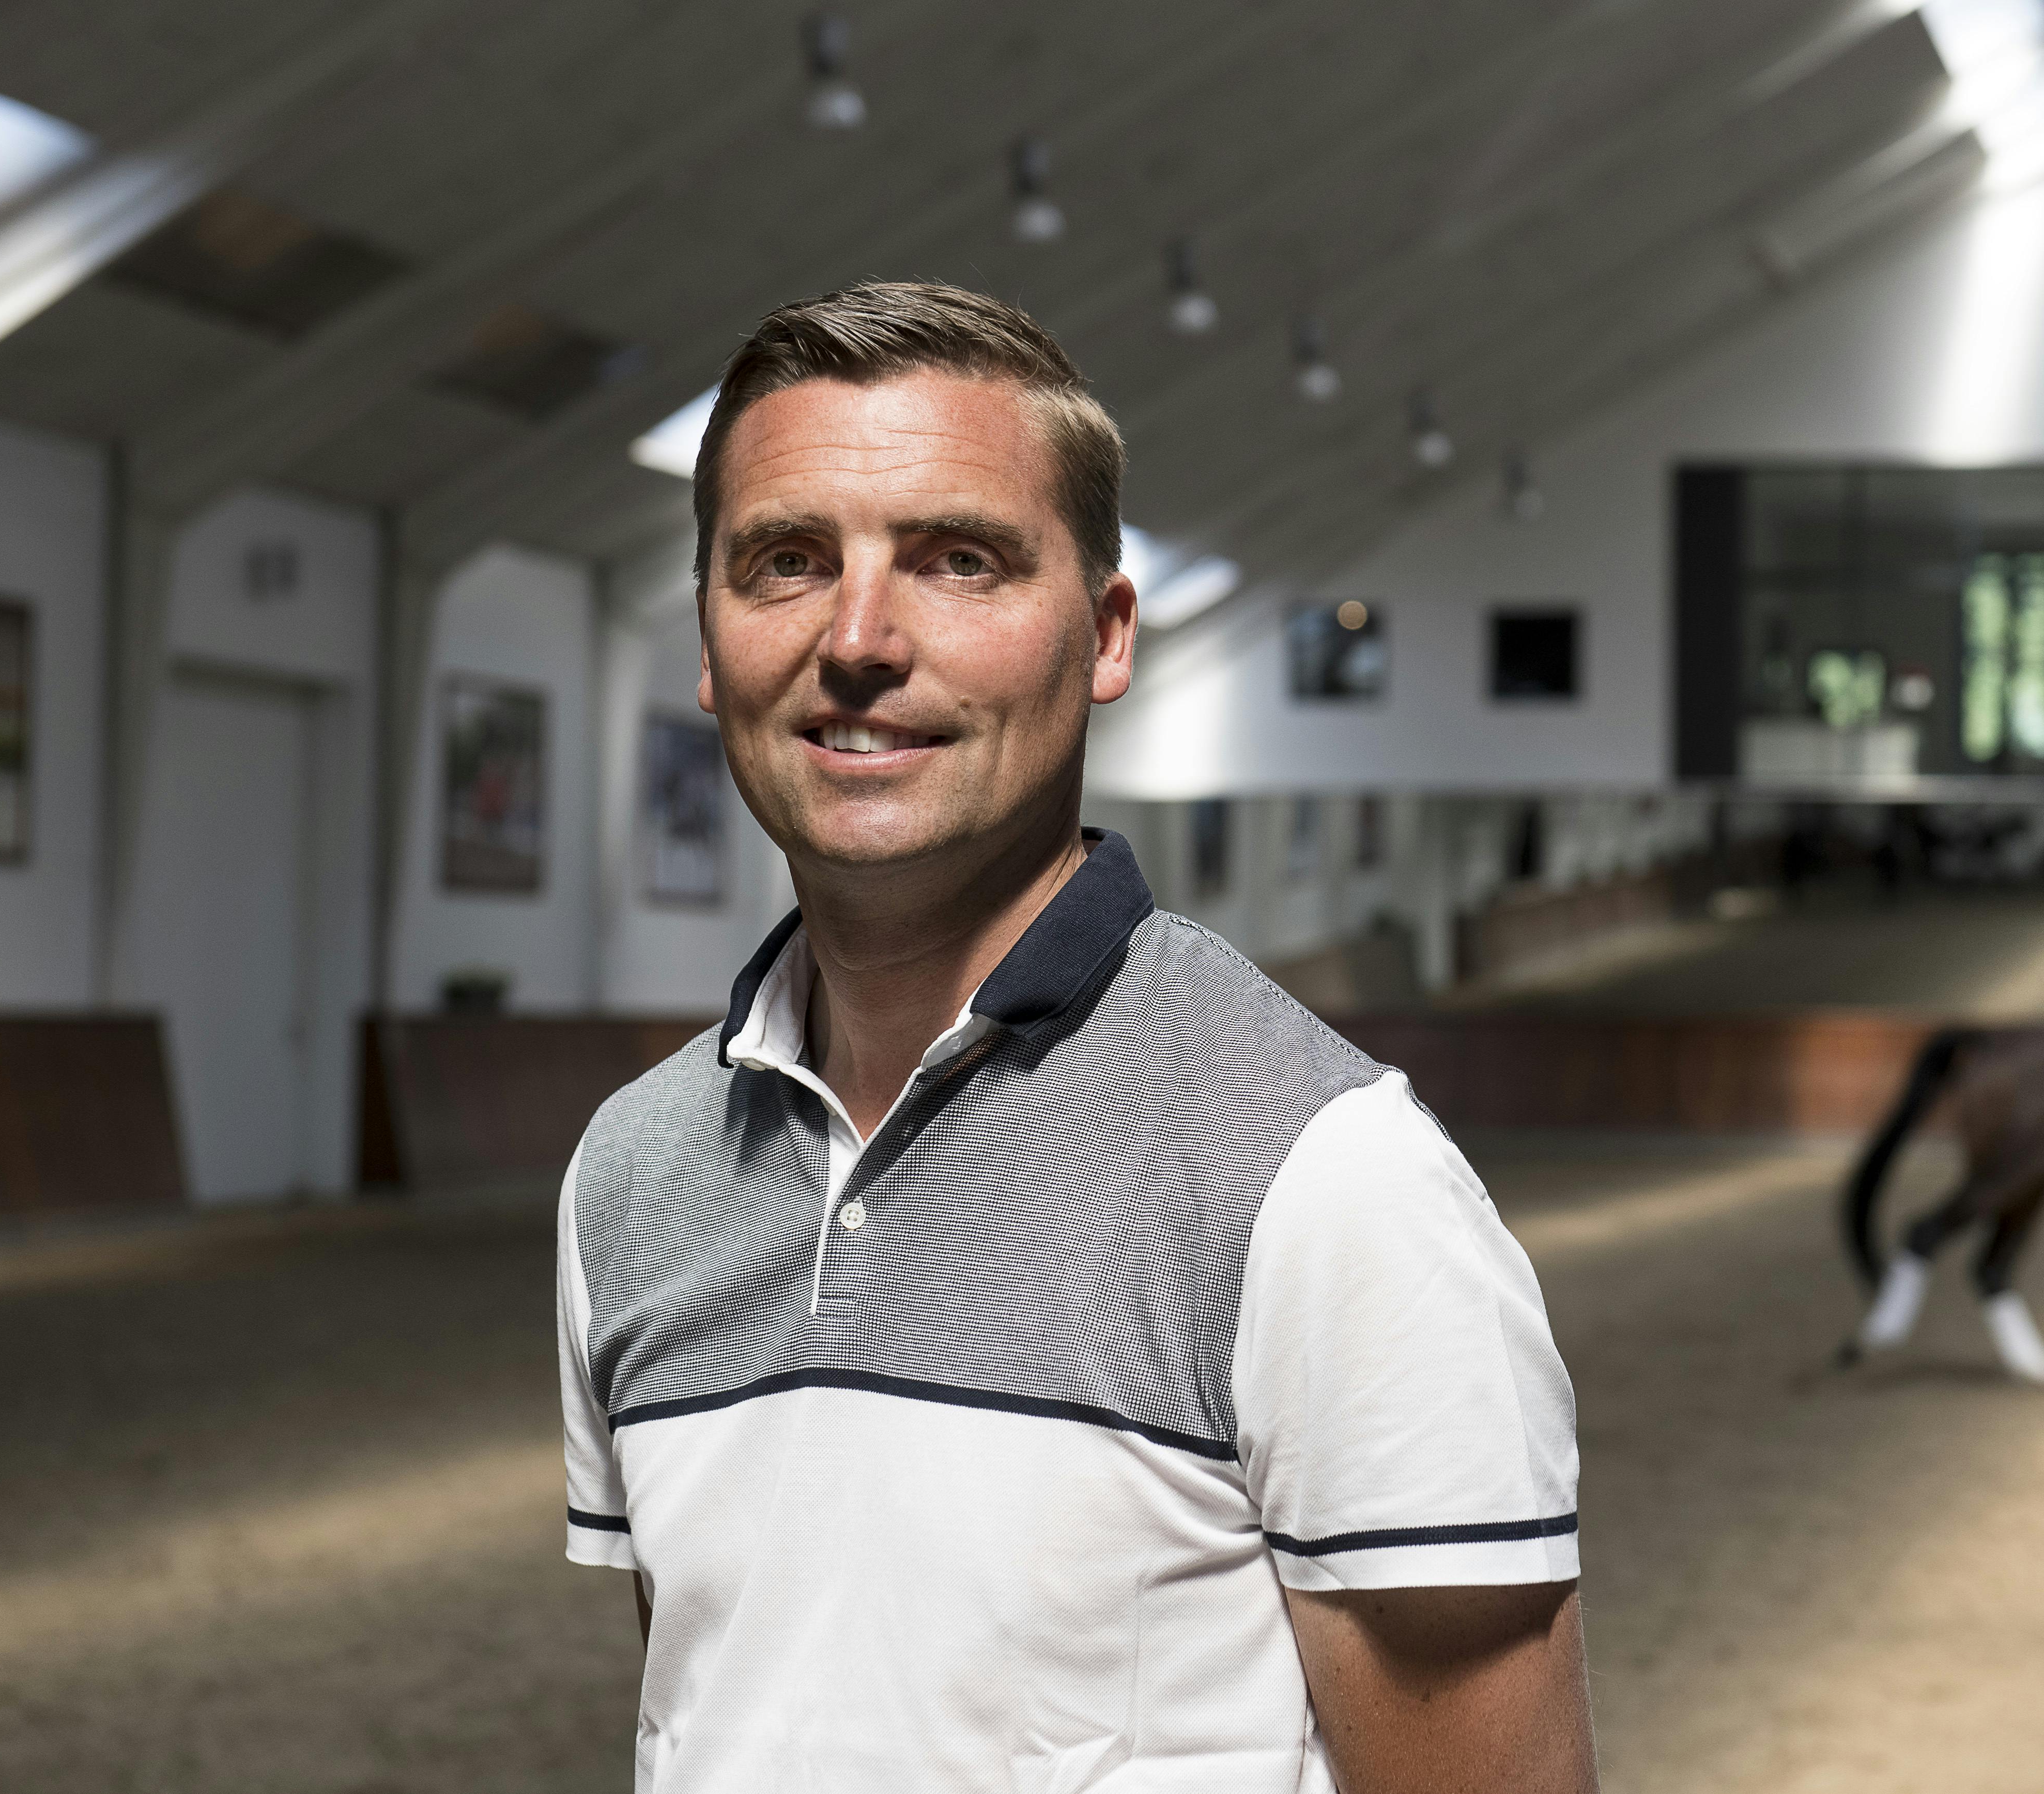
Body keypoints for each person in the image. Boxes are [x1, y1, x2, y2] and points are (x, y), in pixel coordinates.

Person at [555, 283, 1594, 1792]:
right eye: (785, 561)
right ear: (710, 643)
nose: (857, 637)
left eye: (957, 559)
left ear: (1105, 635)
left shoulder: (1327, 1179)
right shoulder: (632, 1171)